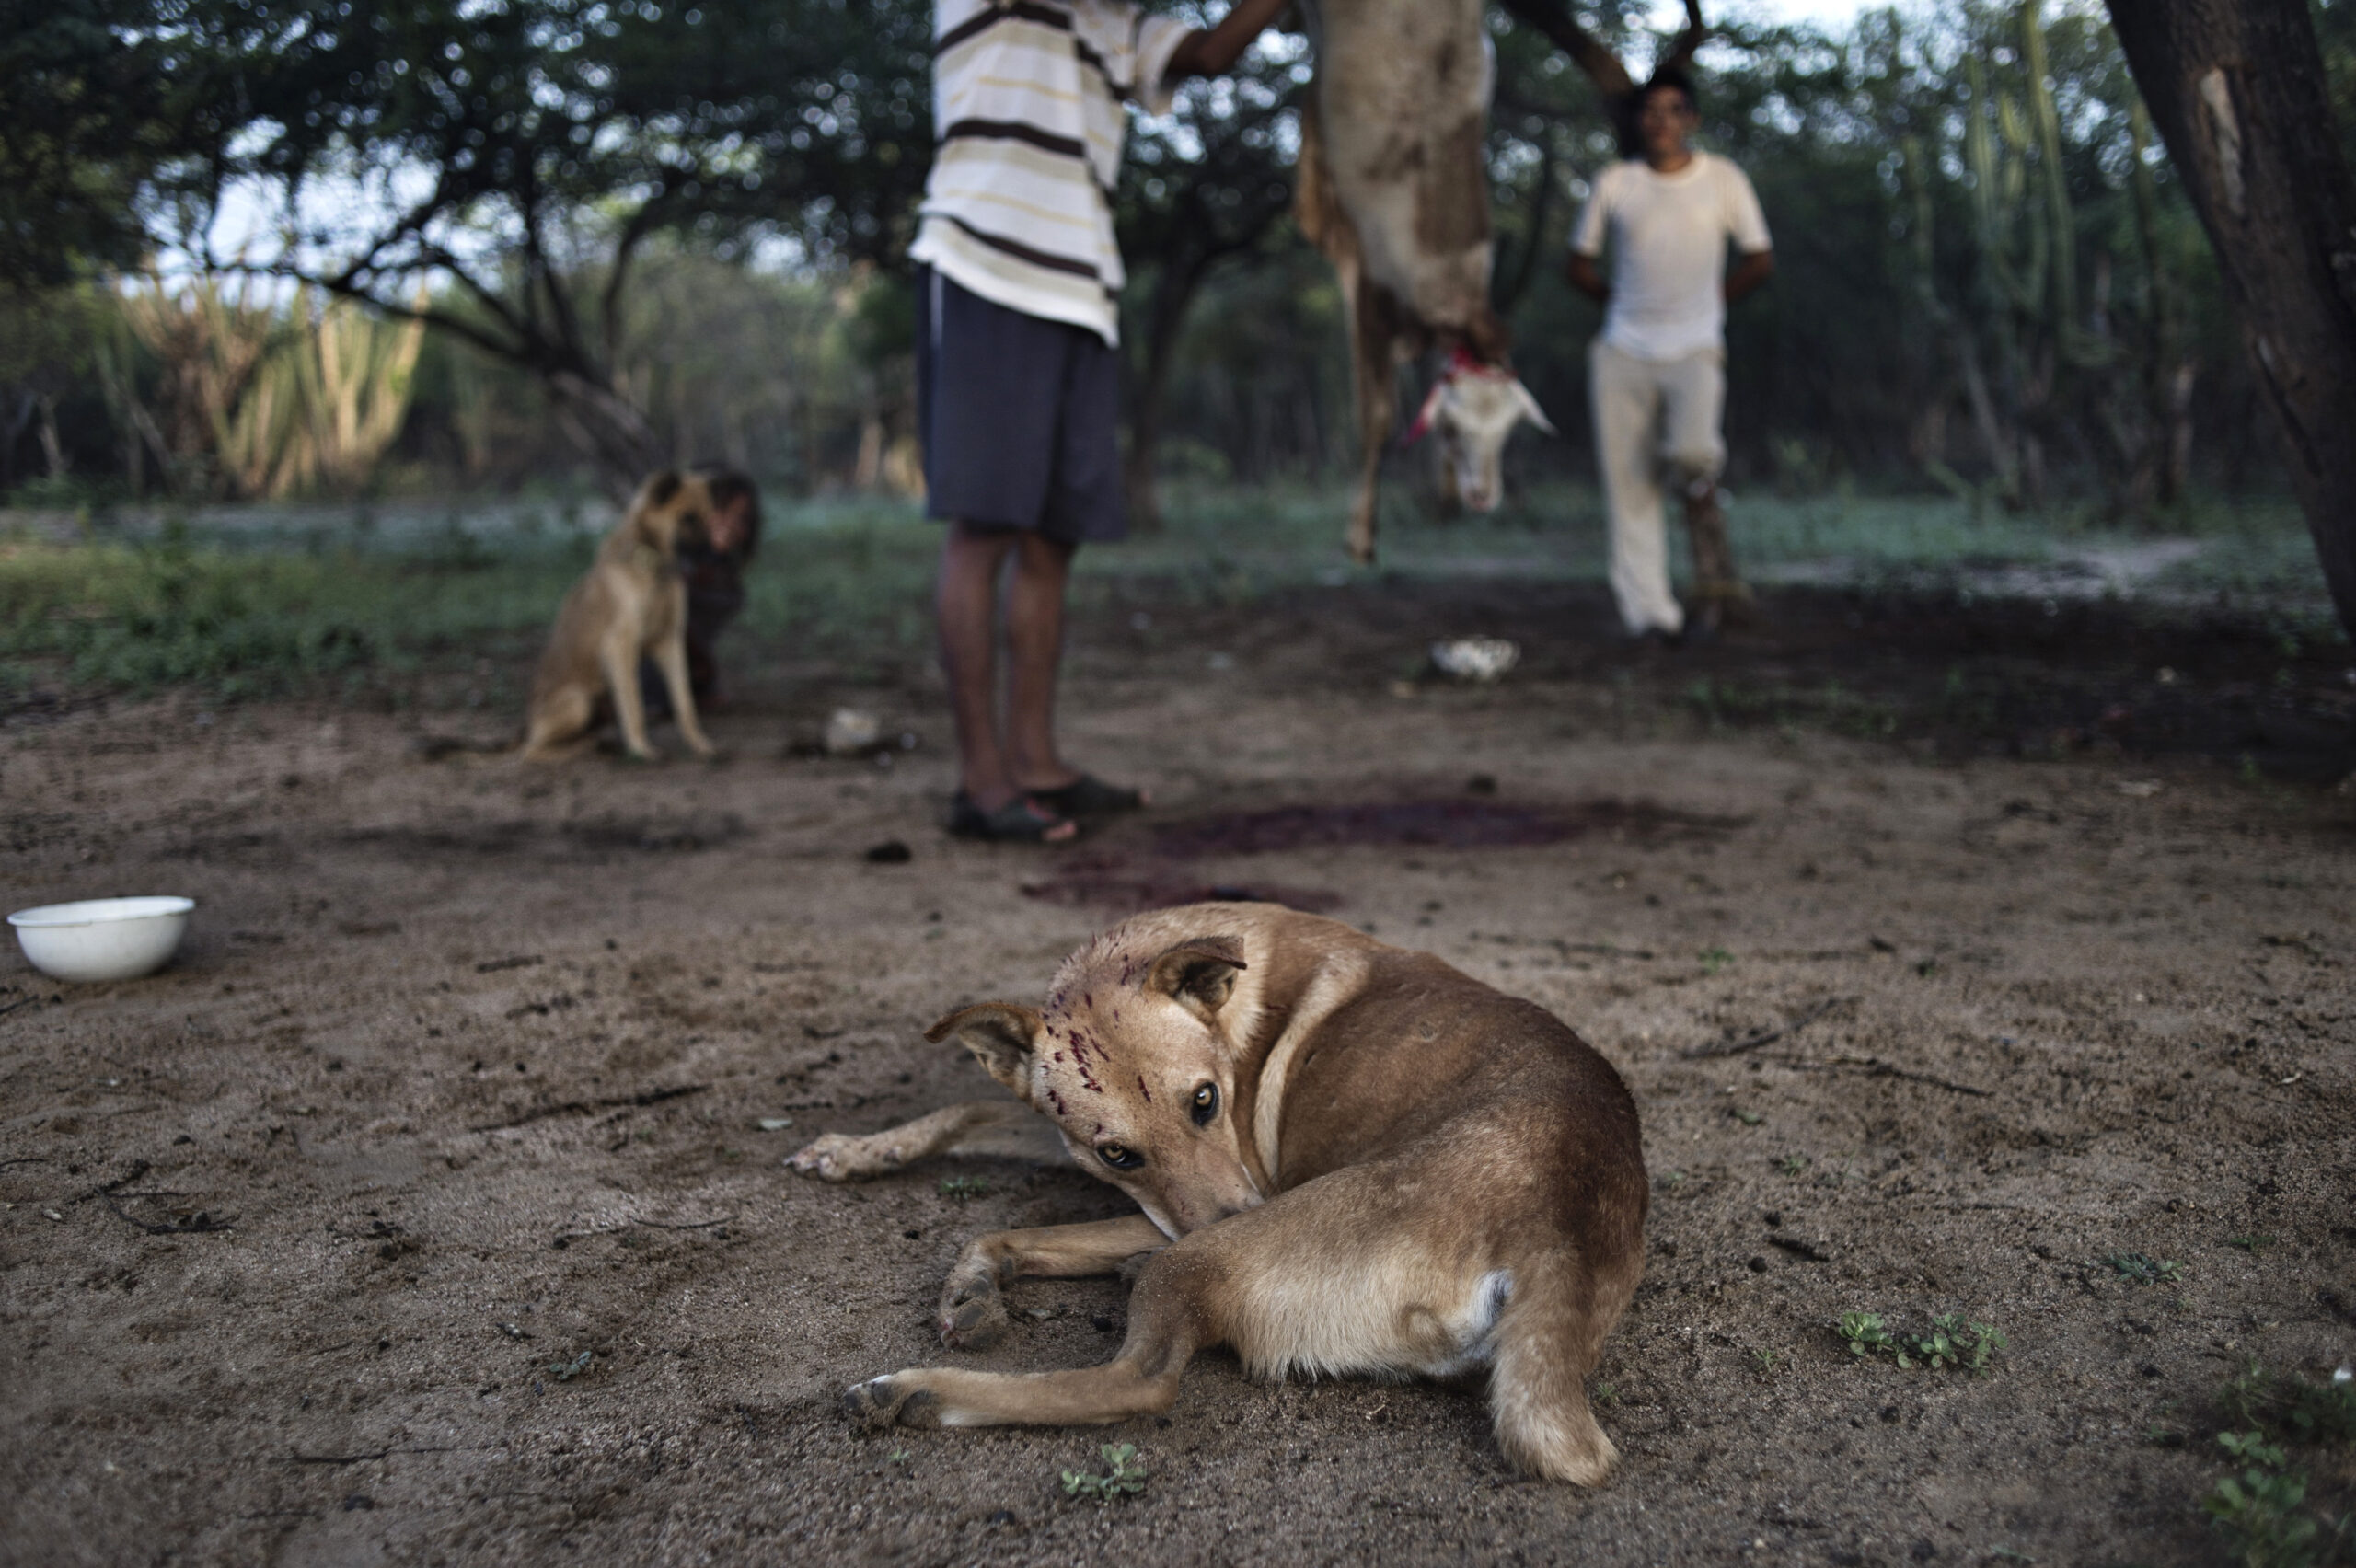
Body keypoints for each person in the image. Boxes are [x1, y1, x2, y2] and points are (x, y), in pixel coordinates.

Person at [914, 0, 1290, 842]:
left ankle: (1038, 762)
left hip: (1086, 288)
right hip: (987, 260)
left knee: (1054, 538)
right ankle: (980, 786)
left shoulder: (1116, 20)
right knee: (985, 529)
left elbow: (1213, 53)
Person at [1566, 66, 1774, 642]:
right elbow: (1577, 264)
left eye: (1673, 111)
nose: (1661, 122)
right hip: (1623, 349)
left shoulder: (1723, 179)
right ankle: (1649, 615)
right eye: (1650, 112)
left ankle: (1709, 548)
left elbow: (1759, 258)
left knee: (1693, 453)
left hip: (1696, 345)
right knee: (1629, 487)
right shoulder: (1616, 182)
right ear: (1639, 122)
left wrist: (1712, 303)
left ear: (1692, 120)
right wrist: (1622, 304)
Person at [640, 465, 760, 714]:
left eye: (741, 518)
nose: (732, 526)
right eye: (723, 512)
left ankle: (686, 687)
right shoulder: (666, 547)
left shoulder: (721, 566)